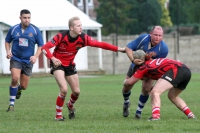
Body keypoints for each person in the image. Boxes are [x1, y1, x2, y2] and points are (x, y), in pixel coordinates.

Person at [41, 16, 125, 121]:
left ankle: (70, 105)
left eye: (81, 25)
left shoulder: (83, 38)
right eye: (78, 26)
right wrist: (53, 59)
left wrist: (119, 49)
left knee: (76, 92)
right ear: (71, 28)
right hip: (58, 64)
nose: (81, 28)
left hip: (70, 65)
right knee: (64, 89)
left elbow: (100, 44)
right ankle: (58, 116)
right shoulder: (61, 36)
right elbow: (44, 48)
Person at [123, 53, 196, 121]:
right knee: (172, 96)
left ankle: (155, 116)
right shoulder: (151, 64)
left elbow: (129, 83)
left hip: (176, 70)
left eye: (141, 78)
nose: (141, 79)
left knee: (155, 92)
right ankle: (190, 115)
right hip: (186, 71)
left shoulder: (142, 67)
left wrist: (125, 81)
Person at [122, 26, 168, 119]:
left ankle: (138, 112)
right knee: (126, 86)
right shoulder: (143, 38)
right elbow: (128, 48)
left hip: (150, 69)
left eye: (160, 35)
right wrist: (133, 60)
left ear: (162, 36)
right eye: (155, 35)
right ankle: (126, 102)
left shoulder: (164, 49)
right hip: (135, 65)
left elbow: (158, 65)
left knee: (146, 89)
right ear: (150, 33)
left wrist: (148, 59)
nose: (157, 37)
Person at [5, 9, 44, 112]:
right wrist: (8, 51)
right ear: (20, 18)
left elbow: (41, 45)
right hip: (16, 58)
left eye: (28, 18)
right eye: (25, 18)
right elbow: (7, 41)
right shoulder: (13, 29)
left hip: (28, 61)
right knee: (14, 78)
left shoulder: (35, 30)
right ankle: (11, 105)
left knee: (23, 86)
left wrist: (35, 56)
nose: (27, 20)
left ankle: (18, 89)